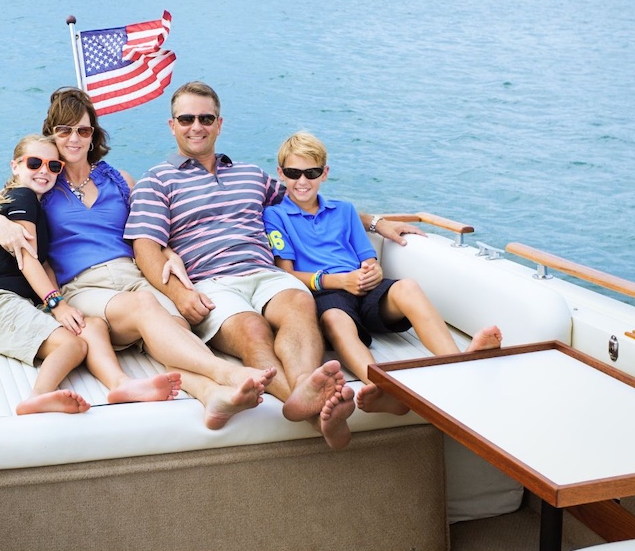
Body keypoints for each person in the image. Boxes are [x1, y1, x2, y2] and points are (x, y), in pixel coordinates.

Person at [124, 81, 420, 449]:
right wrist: (179, 294)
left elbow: (307, 200)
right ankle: (317, 411)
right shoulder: (156, 181)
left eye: (206, 118)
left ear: (219, 124)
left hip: (265, 273)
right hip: (210, 281)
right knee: (253, 330)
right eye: (186, 118)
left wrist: (376, 222)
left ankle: (305, 394)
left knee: (299, 303)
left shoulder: (250, 175)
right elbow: (146, 248)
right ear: (172, 125)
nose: (196, 126)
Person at [0, 89, 275, 429]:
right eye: (64, 130)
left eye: (83, 130)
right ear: (52, 134)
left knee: (176, 326)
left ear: (93, 134)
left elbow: (151, 230)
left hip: (132, 276)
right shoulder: (42, 179)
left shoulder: (119, 180)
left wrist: (169, 254)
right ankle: (225, 372)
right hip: (83, 285)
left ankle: (210, 395)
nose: (74, 138)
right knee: (145, 307)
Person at [262, 131, 502, 415]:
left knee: (407, 287)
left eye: (311, 172)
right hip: (324, 293)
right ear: (281, 173)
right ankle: (386, 387)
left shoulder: (345, 210)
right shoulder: (274, 216)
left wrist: (371, 271)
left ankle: (457, 363)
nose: (302, 181)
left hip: (361, 287)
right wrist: (340, 281)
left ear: (324, 173)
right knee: (336, 319)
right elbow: (286, 272)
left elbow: (367, 256)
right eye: (293, 173)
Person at [0, 133, 181, 416]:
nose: (44, 171)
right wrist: (58, 304)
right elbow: (28, 260)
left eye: (53, 166)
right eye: (34, 163)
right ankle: (37, 396)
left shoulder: (37, 205)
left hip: (25, 303)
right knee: (72, 344)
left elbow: (44, 263)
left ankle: (121, 383)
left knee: (91, 326)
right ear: (15, 166)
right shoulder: (22, 197)